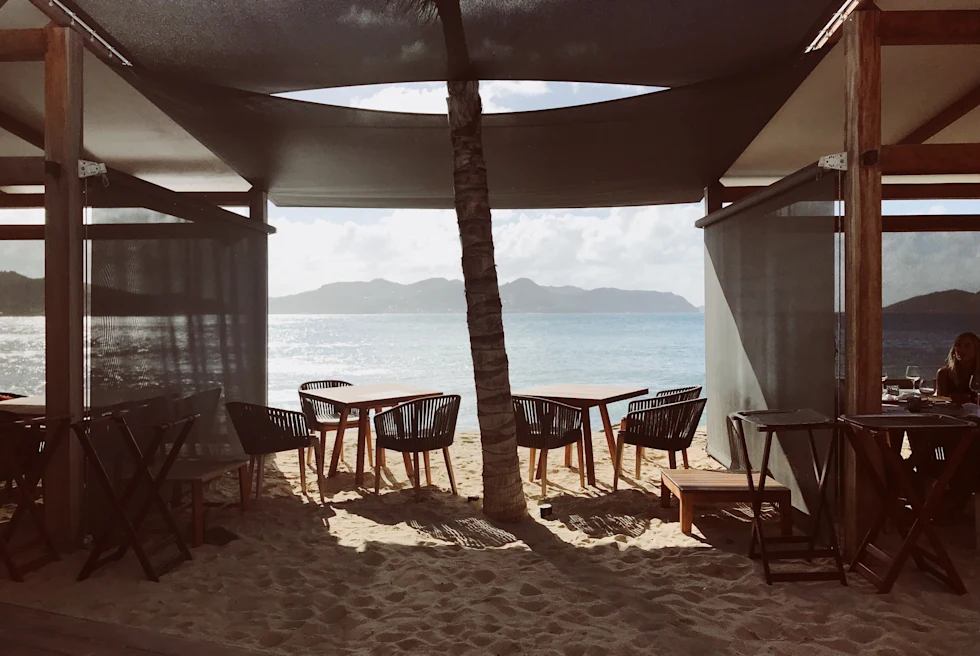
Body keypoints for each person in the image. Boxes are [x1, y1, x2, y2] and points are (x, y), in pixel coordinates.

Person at [936, 332, 980, 403]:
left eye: (967, 346)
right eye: (958, 345)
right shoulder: (944, 373)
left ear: (977, 349)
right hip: (950, 413)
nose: (961, 350)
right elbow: (940, 402)